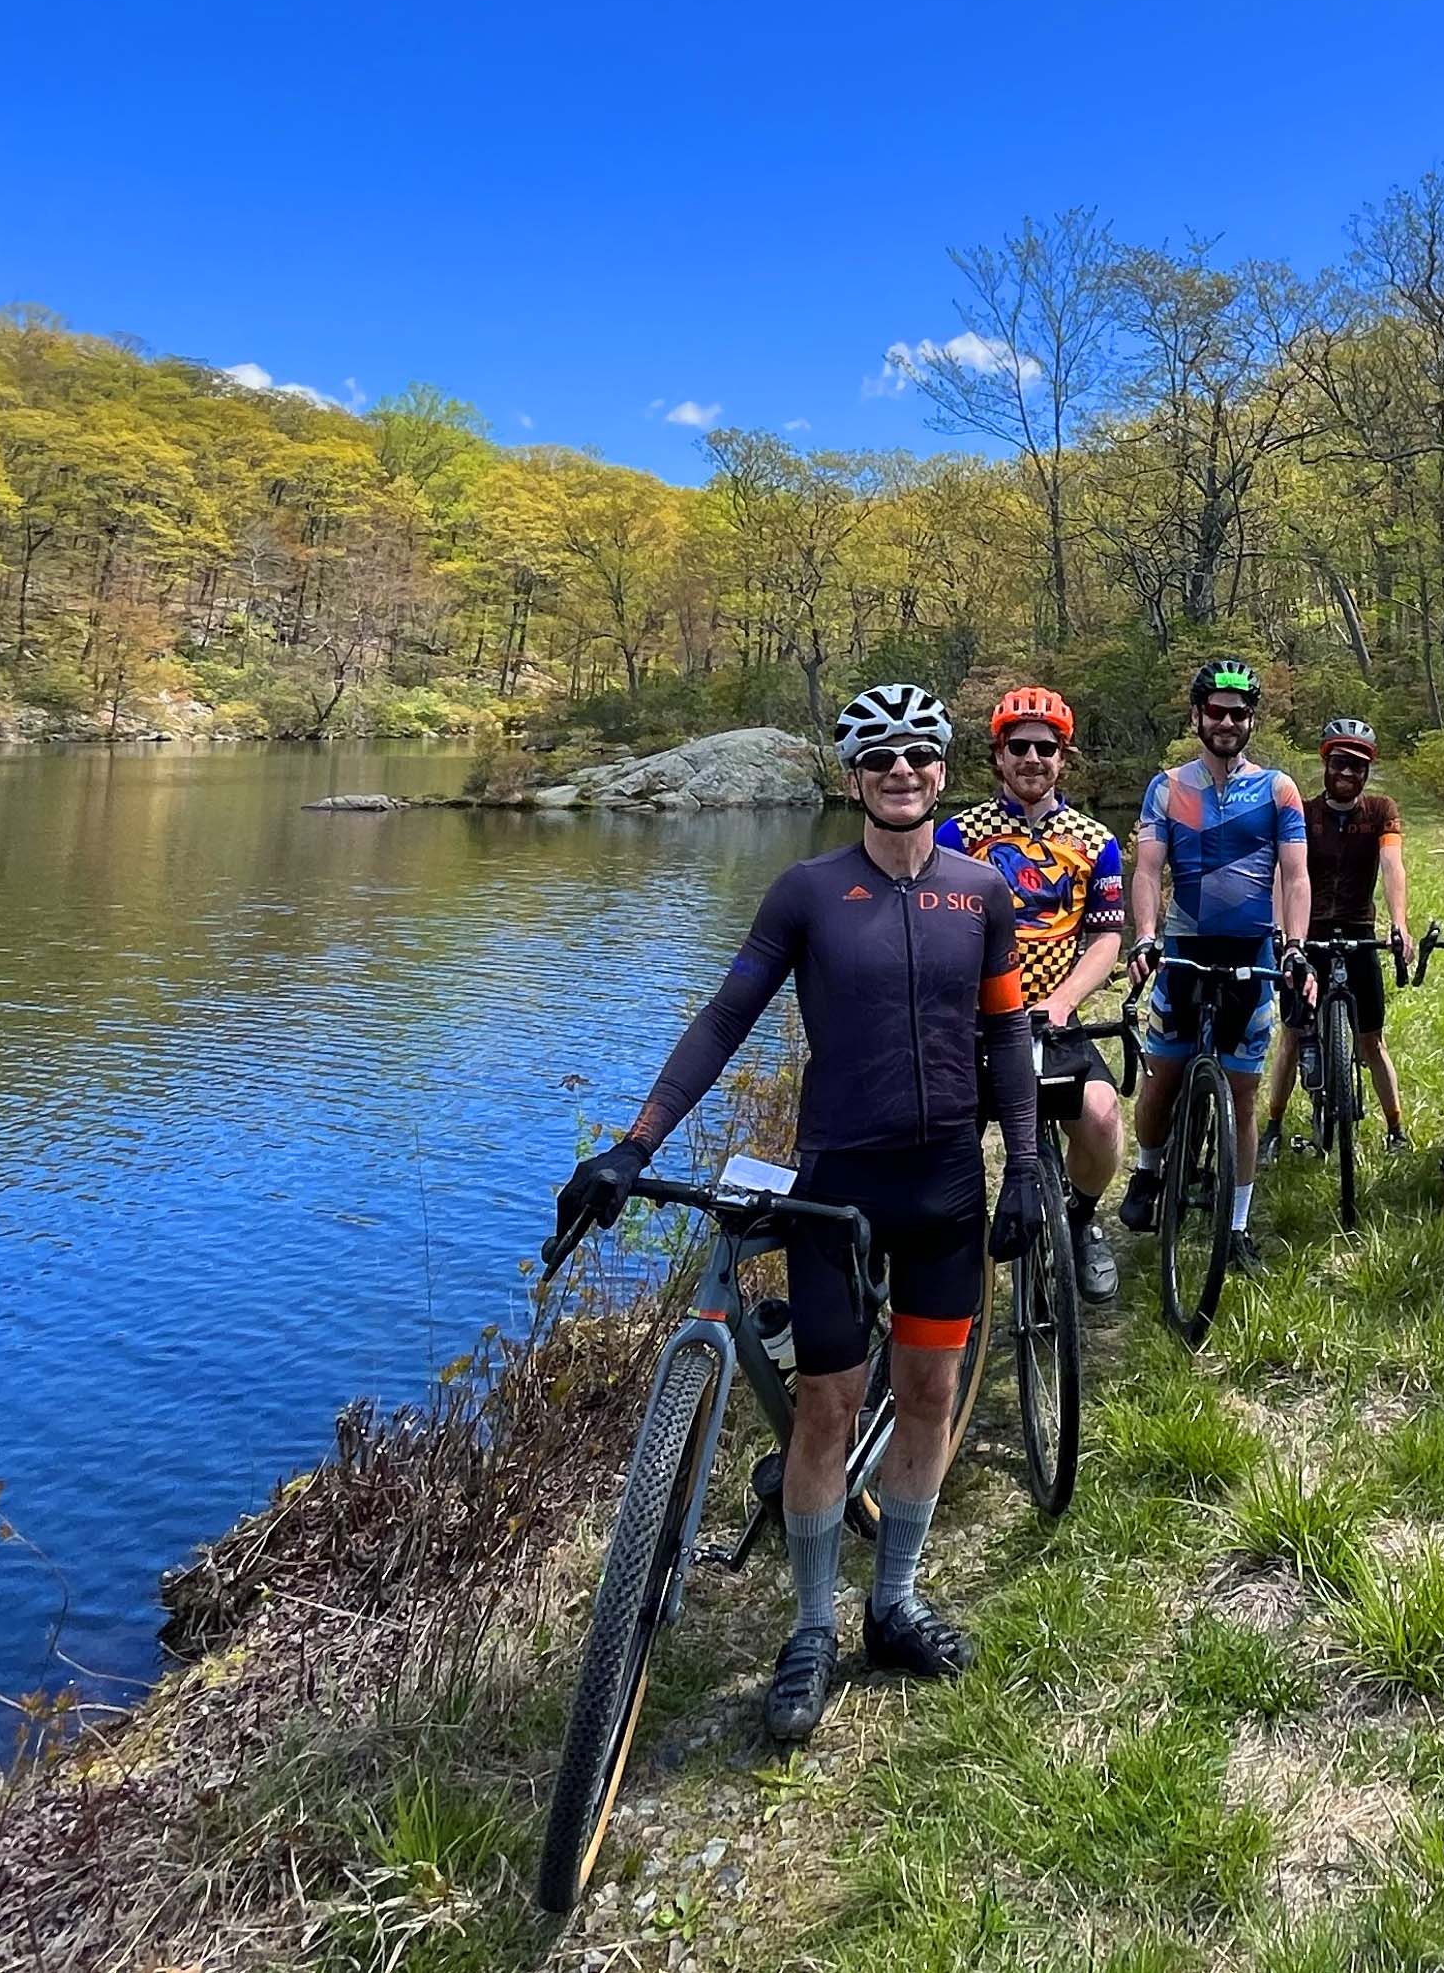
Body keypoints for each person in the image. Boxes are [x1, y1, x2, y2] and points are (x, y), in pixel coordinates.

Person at [550, 684, 1041, 1743]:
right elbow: (727, 1015)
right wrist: (635, 1144)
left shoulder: (981, 891)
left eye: (917, 757)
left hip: (948, 1184)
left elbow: (1005, 1037)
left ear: (943, 771)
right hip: (834, 1188)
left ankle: (893, 1602)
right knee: (827, 1405)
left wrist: (1031, 1167)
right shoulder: (809, 892)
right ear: (853, 776)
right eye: (879, 760)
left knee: (930, 1392)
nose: (900, 773)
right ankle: (812, 1625)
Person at [934, 685, 1126, 1304]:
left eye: (1046, 748)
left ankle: (1080, 1218)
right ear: (998, 755)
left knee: (1099, 1120)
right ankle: (941, 1254)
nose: (1032, 759)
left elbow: (1105, 939)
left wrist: (1064, 1000)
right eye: (1019, 746)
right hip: (972, 1020)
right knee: (937, 1135)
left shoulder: (1096, 840)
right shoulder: (958, 834)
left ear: (1062, 758)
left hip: (1052, 1015)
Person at [1116, 659, 1309, 1261]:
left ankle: (1236, 1226)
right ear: (1197, 716)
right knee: (1163, 1076)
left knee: (1244, 1095)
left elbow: (1297, 875)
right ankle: (1149, 1169)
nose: (1227, 722)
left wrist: (1295, 946)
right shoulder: (1168, 788)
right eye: (1216, 712)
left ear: (1251, 720)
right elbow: (1148, 870)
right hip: (1183, 948)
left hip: (1251, 950)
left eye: (1239, 713)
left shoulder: (1278, 788)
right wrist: (1144, 937)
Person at [1259, 719, 1414, 1158]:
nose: (1347, 774)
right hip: (1308, 934)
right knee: (1292, 1033)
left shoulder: (1381, 810)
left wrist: (1399, 923)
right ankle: (1273, 1125)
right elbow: (1283, 873)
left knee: (1372, 1039)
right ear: (1325, 764)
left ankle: (1396, 1127)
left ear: (1367, 773)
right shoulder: (1303, 813)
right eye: (1340, 764)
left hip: (1359, 931)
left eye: (1357, 768)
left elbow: (1393, 866)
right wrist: (1281, 931)